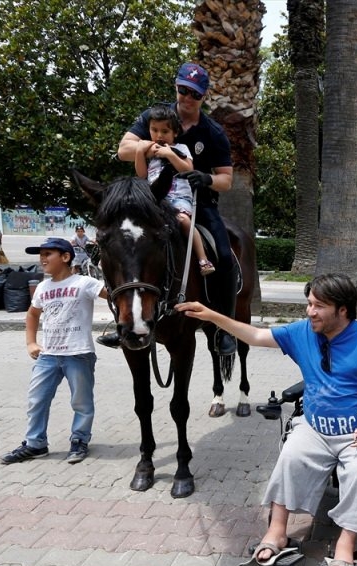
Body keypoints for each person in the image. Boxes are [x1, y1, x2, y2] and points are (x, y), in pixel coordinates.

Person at [175, 274, 357, 566]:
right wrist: (211, 316)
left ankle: (346, 544)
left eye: (319, 306)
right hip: (316, 428)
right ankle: (277, 531)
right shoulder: (302, 333)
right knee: (290, 456)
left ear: (343, 310)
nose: (310, 312)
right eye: (309, 304)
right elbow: (253, 336)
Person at [110, 61, 237, 355]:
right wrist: (151, 147)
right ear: (175, 87)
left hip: (196, 202)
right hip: (152, 198)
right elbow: (123, 150)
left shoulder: (213, 132)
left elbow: (226, 180)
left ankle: (224, 327)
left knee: (226, 256)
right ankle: (122, 322)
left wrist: (205, 178)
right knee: (119, 244)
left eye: (194, 93)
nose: (186, 98)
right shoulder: (155, 117)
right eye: (182, 90)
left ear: (204, 96)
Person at [0, 238, 108, 466]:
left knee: (81, 402)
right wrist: (31, 343)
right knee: (37, 400)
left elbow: (116, 295)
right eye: (41, 254)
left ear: (66, 257)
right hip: (48, 356)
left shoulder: (85, 283)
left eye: (48, 254)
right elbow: (32, 314)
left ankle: (79, 440)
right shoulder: (42, 287)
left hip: (78, 354)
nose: (42, 259)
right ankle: (35, 444)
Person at [135, 104, 215, 276]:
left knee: (183, 220)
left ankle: (203, 258)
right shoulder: (151, 153)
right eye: (154, 130)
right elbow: (142, 175)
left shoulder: (181, 149)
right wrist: (139, 153)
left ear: (175, 133)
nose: (159, 135)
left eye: (165, 131)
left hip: (178, 198)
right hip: (156, 200)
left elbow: (187, 168)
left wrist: (170, 154)